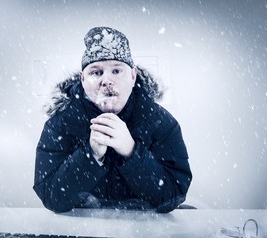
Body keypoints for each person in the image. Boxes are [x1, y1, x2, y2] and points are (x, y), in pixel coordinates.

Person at [33, 26, 192, 213]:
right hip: (83, 230)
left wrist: (131, 152)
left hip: (145, 226)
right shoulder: (59, 125)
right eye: (96, 72)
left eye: (116, 71)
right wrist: (90, 155)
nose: (106, 80)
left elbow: (173, 196)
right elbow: (52, 197)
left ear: (133, 76)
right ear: (83, 79)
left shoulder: (161, 122)